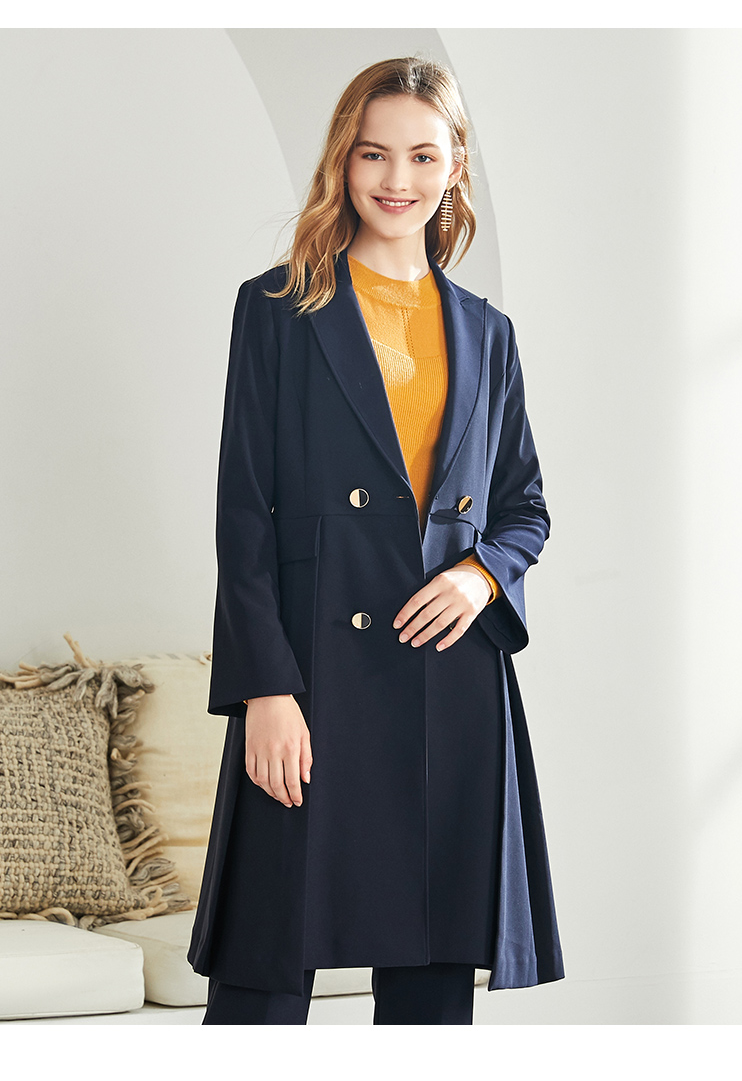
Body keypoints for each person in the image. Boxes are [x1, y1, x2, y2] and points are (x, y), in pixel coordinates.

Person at [187, 55, 564, 1025]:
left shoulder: (487, 332)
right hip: (313, 675)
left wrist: (482, 577)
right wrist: (265, 690)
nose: (398, 179)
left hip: (449, 678)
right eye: (374, 154)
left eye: (423, 156)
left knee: (431, 982)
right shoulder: (279, 308)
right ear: (342, 162)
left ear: (455, 168)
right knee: (266, 973)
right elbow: (244, 515)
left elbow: (524, 506)